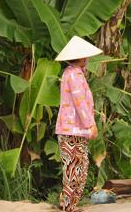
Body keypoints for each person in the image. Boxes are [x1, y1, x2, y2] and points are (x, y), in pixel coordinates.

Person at [55, 36, 102, 211]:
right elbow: (79, 101)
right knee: (74, 170)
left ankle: (71, 206)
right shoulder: (74, 74)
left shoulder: (72, 73)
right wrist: (91, 124)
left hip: (73, 130)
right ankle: (68, 207)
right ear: (82, 58)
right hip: (72, 130)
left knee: (78, 169)